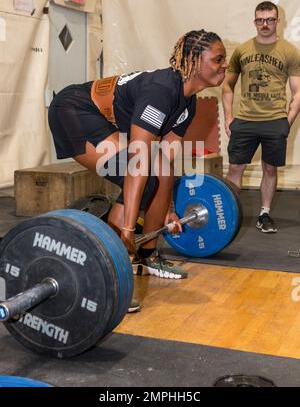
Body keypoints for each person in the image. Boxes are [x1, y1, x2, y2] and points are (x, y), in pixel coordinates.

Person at [49, 29, 228, 311]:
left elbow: (167, 161)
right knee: (139, 177)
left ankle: (148, 256)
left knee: (163, 175)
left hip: (100, 119)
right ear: (194, 61)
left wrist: (167, 208)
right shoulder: (162, 91)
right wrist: (129, 229)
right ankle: (110, 277)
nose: (225, 64)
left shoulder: (187, 102)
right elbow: (138, 162)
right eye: (218, 59)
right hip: (74, 110)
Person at [222, 1, 300, 233]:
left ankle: (264, 214)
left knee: (269, 169)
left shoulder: (290, 52)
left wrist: (287, 122)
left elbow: (297, 92)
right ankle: (228, 213)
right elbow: (227, 85)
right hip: (245, 119)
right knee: (236, 167)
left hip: (275, 120)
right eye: (260, 20)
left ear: (277, 21)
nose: (265, 24)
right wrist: (228, 117)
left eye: (269, 19)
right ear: (254, 21)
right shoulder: (242, 51)